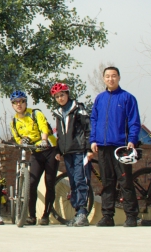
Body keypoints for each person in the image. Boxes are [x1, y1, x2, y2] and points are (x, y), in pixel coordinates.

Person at [90, 67, 141, 227]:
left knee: (125, 181)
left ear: (119, 77)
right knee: (107, 182)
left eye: (113, 76)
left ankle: (131, 216)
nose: (110, 79)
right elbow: (94, 120)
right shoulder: (99, 98)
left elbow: (134, 121)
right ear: (103, 79)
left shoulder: (127, 98)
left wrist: (132, 139)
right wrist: (93, 140)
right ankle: (107, 216)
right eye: (107, 76)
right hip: (103, 147)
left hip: (121, 147)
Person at [9, 90, 59, 225]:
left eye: (22, 101)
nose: (19, 104)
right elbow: (17, 137)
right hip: (36, 152)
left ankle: (45, 215)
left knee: (49, 182)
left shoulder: (35, 113)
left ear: (26, 102)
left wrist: (44, 140)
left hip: (49, 149)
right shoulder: (14, 121)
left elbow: (43, 128)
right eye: (15, 102)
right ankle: (31, 216)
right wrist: (22, 142)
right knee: (31, 183)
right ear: (12, 105)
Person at [50, 82, 92, 227]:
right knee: (73, 181)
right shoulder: (58, 113)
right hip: (67, 152)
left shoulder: (79, 109)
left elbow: (88, 129)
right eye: (57, 97)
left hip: (80, 150)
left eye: (62, 95)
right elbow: (60, 135)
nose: (60, 98)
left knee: (81, 179)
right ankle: (77, 212)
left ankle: (82, 212)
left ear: (67, 94)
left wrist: (89, 149)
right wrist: (58, 150)